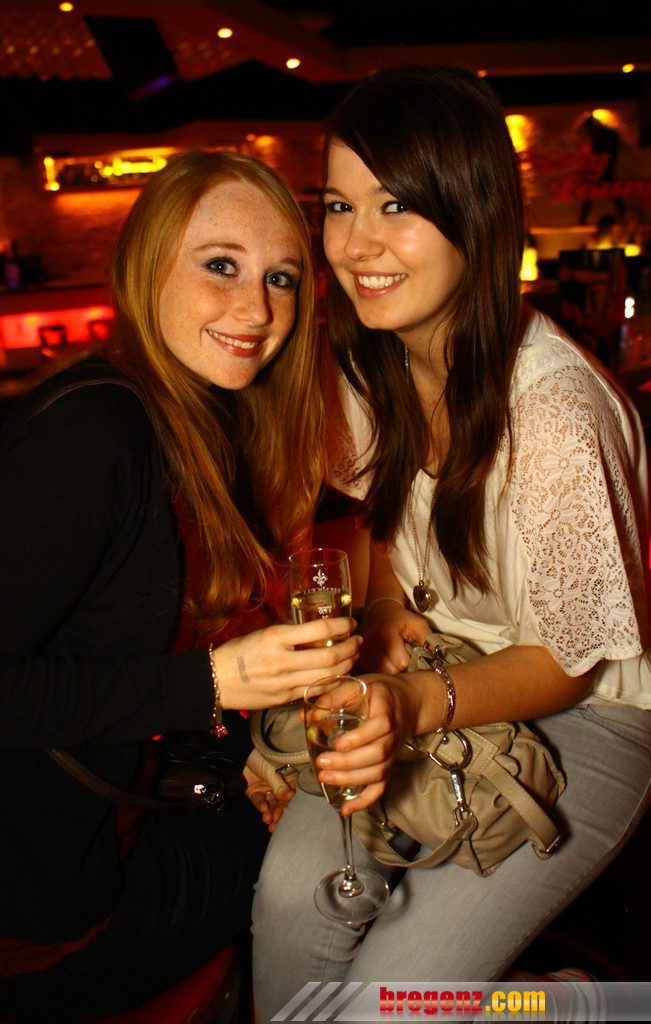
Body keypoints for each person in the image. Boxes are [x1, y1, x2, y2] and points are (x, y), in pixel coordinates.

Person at [251, 66, 651, 1019]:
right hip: (434, 674)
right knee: (287, 907)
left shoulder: (554, 415)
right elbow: (382, 520)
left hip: (590, 715)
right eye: (338, 206)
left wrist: (408, 703)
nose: (356, 244)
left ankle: (577, 1007)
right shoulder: (371, 363)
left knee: (382, 1004)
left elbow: (570, 662)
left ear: (474, 214)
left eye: (396, 205)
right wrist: (385, 610)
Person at [0, 149, 361, 1022]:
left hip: (106, 835)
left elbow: (109, 653)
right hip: (43, 927)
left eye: (280, 278)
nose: (257, 309)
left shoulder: (192, 421)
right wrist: (212, 683)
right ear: (146, 265)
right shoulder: (95, 434)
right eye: (220, 266)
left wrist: (238, 744)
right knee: (349, 865)